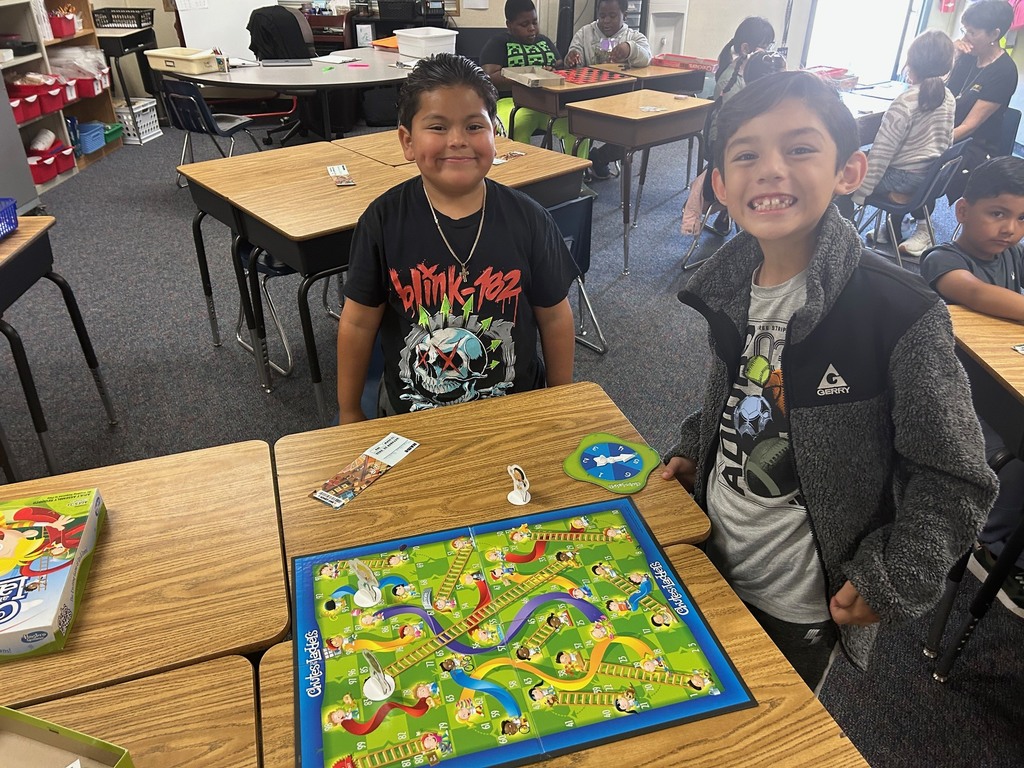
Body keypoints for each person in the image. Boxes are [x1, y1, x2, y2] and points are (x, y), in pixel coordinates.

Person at [660, 70, 997, 691]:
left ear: (850, 171)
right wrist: (692, 447)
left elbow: (955, 474)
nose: (770, 169)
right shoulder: (728, 286)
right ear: (720, 186)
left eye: (800, 148)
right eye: (746, 154)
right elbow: (731, 399)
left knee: (773, 733)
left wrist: (893, 579)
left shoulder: (900, 310)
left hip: (804, 602)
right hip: (709, 554)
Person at [336, 53, 577, 423]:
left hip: (515, 412)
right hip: (415, 417)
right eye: (437, 127)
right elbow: (357, 323)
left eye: (474, 127)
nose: (457, 141)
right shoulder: (382, 221)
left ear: (495, 132)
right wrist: (350, 410)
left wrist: (561, 401)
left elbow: (556, 317)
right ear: (407, 141)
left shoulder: (529, 220)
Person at [920, 156, 1024, 617]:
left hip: (1002, 383)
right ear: (962, 211)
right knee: (1018, 456)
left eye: (1022, 218)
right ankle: (991, 541)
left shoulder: (1013, 256)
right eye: (997, 213)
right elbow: (976, 294)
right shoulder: (944, 258)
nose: (1010, 229)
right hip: (957, 398)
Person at [901, 0, 1017, 258]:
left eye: (972, 32)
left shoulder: (1004, 72)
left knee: (923, 160)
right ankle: (897, 217)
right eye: (964, 30)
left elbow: (970, 125)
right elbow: (934, 93)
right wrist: (951, 55)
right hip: (946, 131)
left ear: (994, 35)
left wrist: (929, 142)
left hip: (976, 144)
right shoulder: (966, 57)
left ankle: (923, 226)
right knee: (901, 150)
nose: (966, 37)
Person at [847, 30, 955, 241]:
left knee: (843, 178)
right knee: (875, 160)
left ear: (911, 63)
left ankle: (844, 239)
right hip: (929, 177)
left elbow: (882, 153)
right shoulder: (948, 97)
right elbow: (947, 142)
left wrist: (860, 193)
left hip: (902, 178)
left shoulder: (905, 102)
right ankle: (891, 230)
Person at [480, 0, 586, 157]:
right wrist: (527, 77)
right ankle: (524, 176)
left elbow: (560, 69)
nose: (532, 29)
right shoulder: (498, 43)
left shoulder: (545, 42)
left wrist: (562, 67)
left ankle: (578, 176)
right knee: (517, 123)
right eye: (524, 24)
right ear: (509, 25)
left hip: (547, 103)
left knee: (578, 126)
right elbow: (489, 78)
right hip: (512, 102)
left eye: (535, 22)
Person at [564, 0, 652, 180]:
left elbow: (647, 57)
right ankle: (580, 166)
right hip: (590, 99)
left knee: (633, 136)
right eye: (602, 16)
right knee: (579, 126)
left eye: (612, 16)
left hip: (622, 101)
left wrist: (629, 49)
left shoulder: (633, 36)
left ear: (624, 15)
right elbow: (573, 53)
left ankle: (598, 158)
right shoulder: (585, 33)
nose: (606, 21)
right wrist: (572, 57)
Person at [714, 16, 776, 104]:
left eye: (770, 46)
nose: (768, 53)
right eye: (764, 47)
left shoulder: (756, 74)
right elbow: (733, 117)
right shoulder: (728, 83)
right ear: (745, 49)